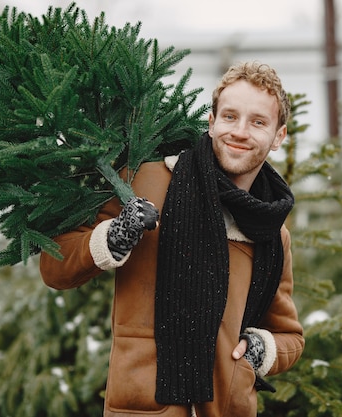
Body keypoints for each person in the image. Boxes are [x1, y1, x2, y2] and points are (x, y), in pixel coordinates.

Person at [40, 61, 305, 417]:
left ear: (278, 137)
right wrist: (115, 237)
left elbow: (290, 336)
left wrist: (259, 349)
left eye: (258, 122)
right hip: (144, 408)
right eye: (229, 117)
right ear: (211, 125)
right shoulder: (148, 183)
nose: (240, 131)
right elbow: (54, 266)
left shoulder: (272, 231)